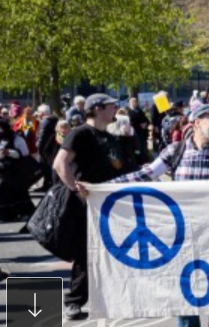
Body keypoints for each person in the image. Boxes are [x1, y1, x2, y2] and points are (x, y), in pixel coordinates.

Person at [106, 103, 209, 327]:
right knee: (186, 298)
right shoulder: (176, 151)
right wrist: (104, 189)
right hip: (182, 238)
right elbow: (146, 175)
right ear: (196, 123)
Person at [54, 93, 122, 320]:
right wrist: (75, 188)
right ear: (98, 108)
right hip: (86, 203)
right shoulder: (80, 133)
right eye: (112, 106)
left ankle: (108, 298)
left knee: (111, 251)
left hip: (108, 202)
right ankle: (73, 301)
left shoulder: (108, 136)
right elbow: (60, 163)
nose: (115, 110)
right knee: (86, 253)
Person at [0, 118, 35, 222]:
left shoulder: (16, 138)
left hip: (13, 173)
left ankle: (23, 214)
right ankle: (0, 216)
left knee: (17, 194)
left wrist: (10, 152)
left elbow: (24, 154)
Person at [35, 104, 60, 189]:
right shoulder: (55, 120)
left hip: (46, 148)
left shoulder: (45, 121)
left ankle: (47, 184)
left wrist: (39, 148)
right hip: (53, 147)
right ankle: (50, 183)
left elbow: (42, 136)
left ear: (42, 113)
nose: (37, 114)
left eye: (38, 112)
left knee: (45, 167)